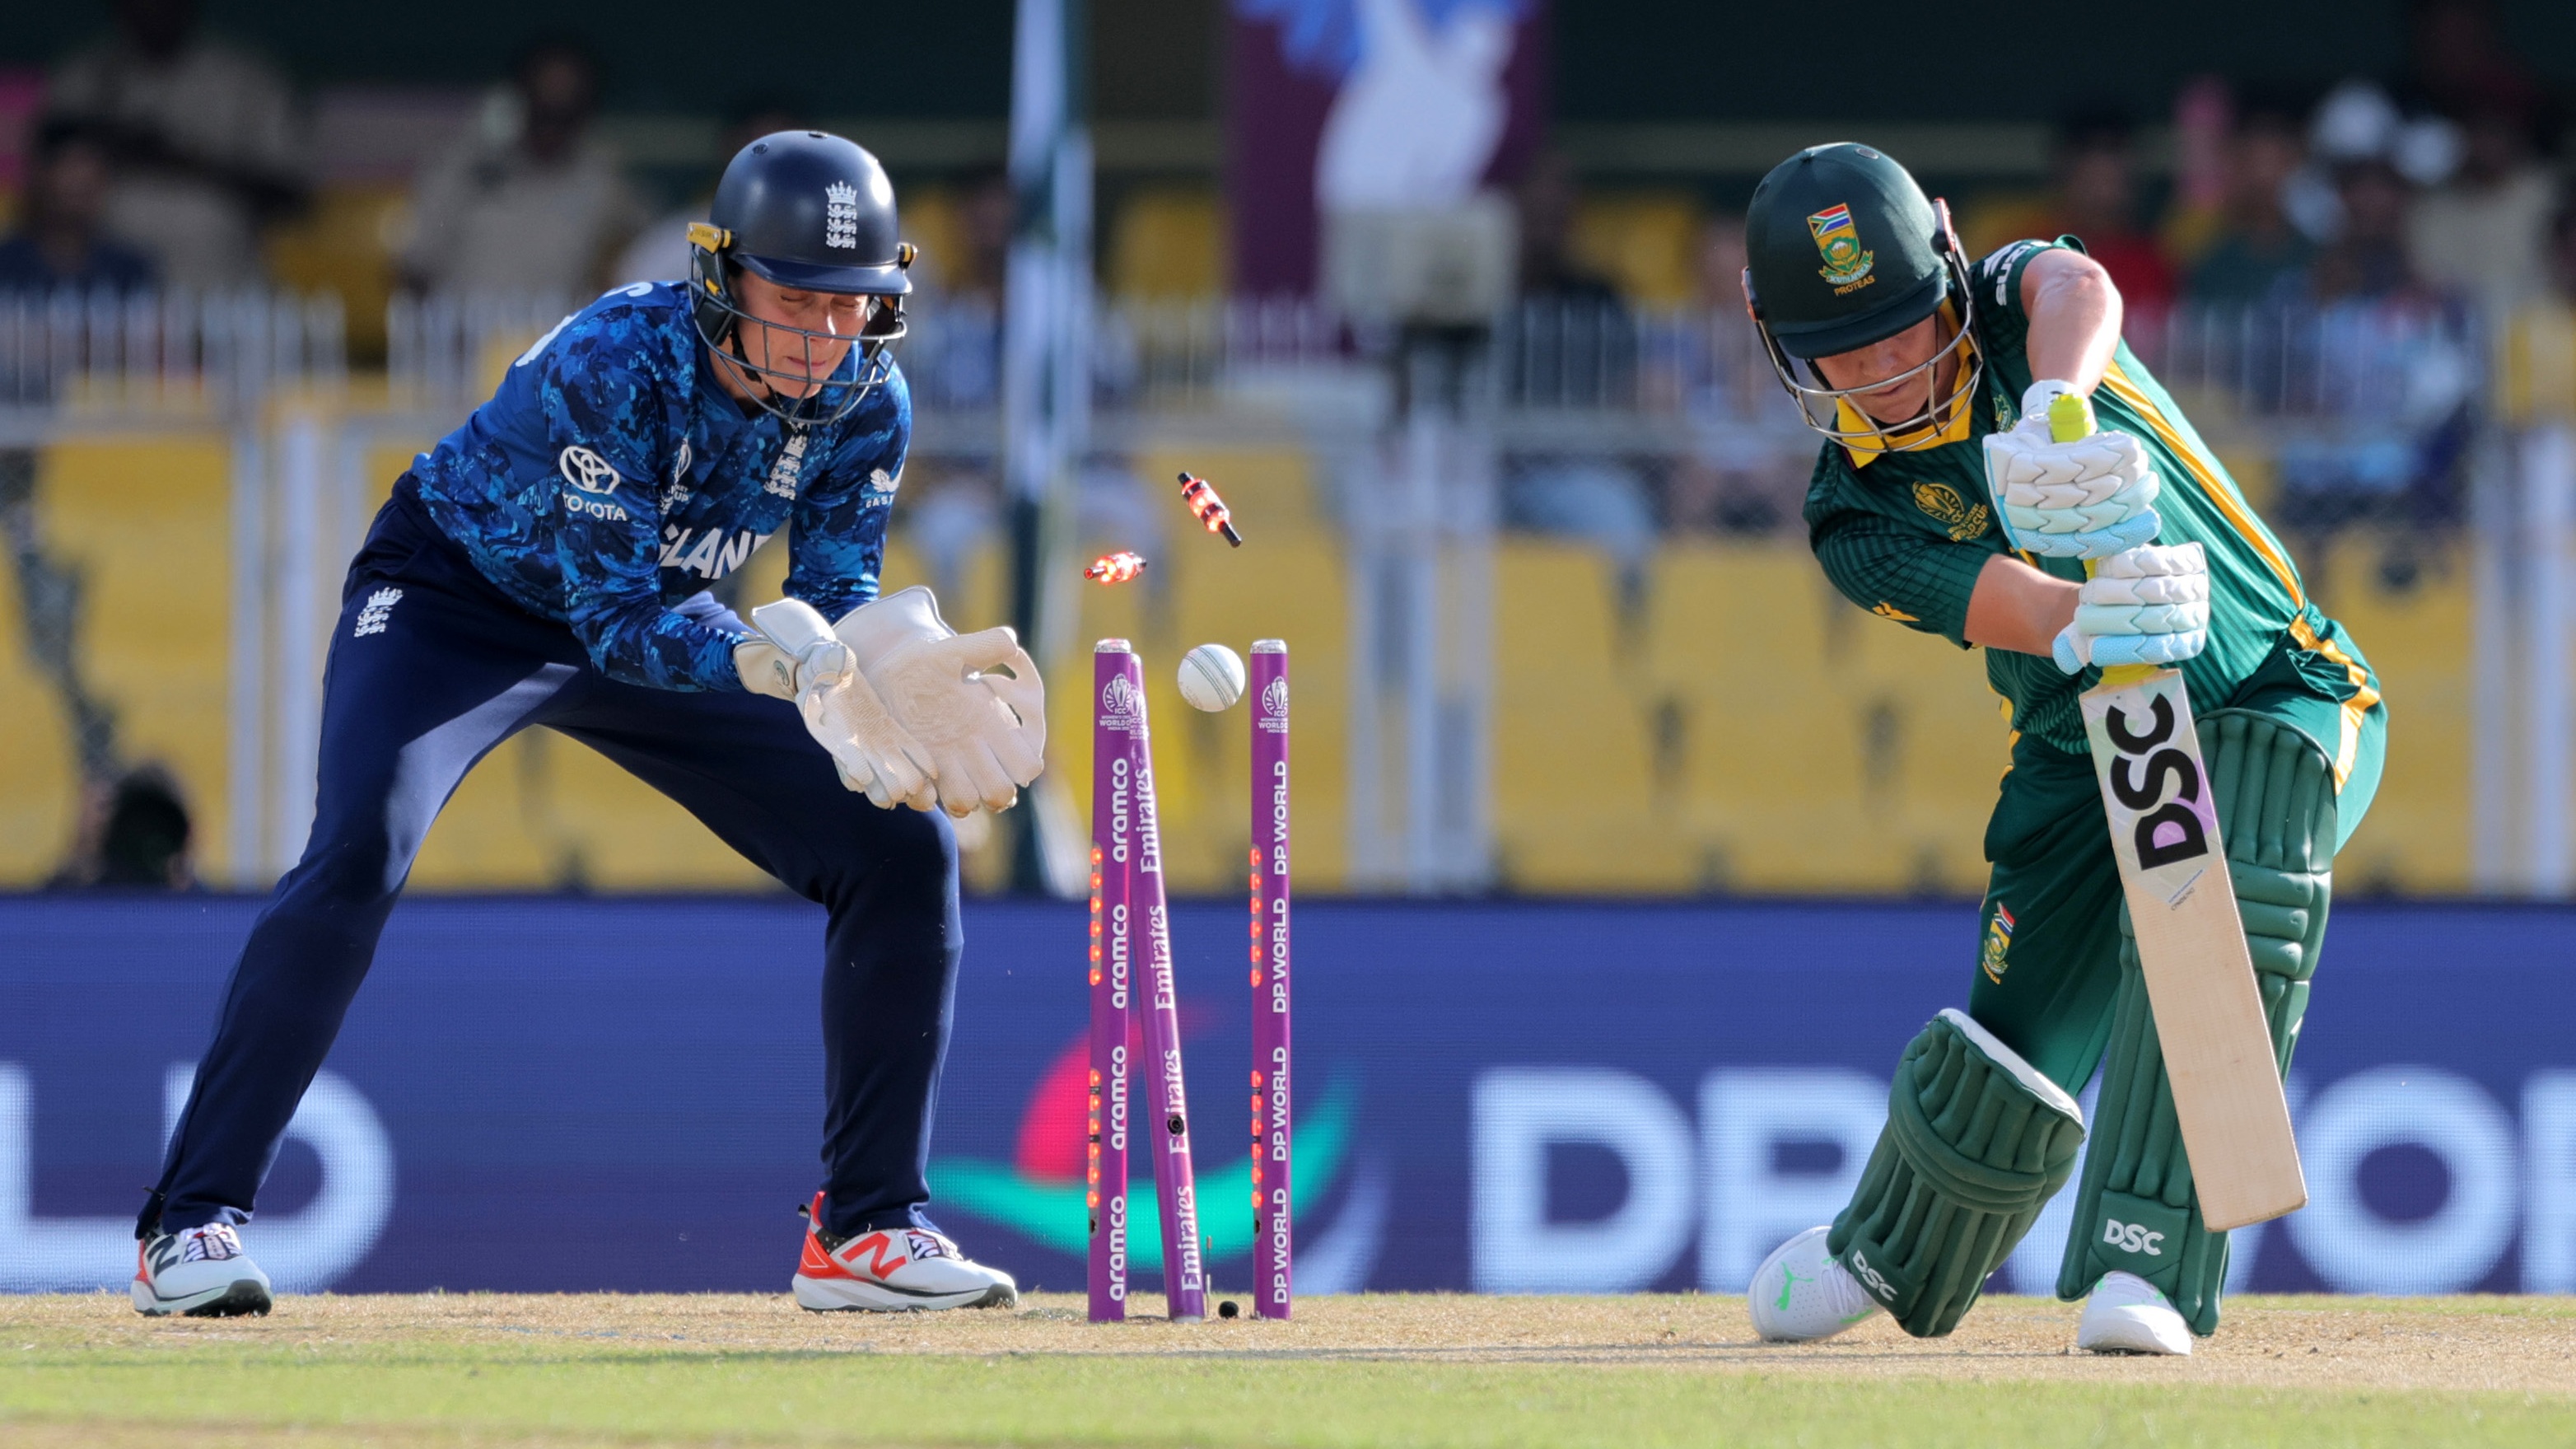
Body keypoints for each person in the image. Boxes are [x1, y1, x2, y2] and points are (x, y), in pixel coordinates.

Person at [128, 132, 1047, 1318]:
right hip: (458, 600)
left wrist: (884, 659)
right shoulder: (621, 357)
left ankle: (867, 1226)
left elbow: (830, 592)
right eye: (795, 298)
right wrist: (778, 663)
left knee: (899, 845)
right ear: (722, 278)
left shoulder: (869, 399)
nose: (824, 337)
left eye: (851, 306)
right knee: (360, 846)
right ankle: (190, 1222)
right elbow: (611, 620)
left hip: (672, 613)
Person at [1734, 144, 2383, 1355]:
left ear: (1945, 270)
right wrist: (2082, 616)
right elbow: (2013, 605)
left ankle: (2149, 1262)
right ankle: (1888, 1245)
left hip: (2278, 686)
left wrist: (2057, 406)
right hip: (2078, 743)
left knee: (2232, 877)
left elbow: (2076, 288)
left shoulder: (2012, 305)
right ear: (1788, 347)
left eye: (1902, 323)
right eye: (1849, 347)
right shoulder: (1852, 515)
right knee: (2014, 1044)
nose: (1886, 367)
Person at [44, 0, 306, 292]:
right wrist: (118, 142)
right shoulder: (84, 76)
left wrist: (182, 160)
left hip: (219, 280)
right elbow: (50, 166)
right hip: (107, 289)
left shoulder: (248, 78)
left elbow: (290, 194)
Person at [401, 36, 649, 297]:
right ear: (521, 99)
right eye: (544, 109)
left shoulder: (605, 180)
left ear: (587, 110)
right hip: (466, 330)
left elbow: (654, 258)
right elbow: (413, 266)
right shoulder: (462, 168)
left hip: (559, 332)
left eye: (565, 111)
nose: (552, 121)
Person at [2182, 90, 2317, 308]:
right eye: (2253, 163)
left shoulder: (2320, 261)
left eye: (2275, 164)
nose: (2263, 179)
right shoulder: (2210, 264)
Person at [0, 118, 159, 293]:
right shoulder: (6, 264)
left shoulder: (130, 270)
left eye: (93, 176)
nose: (80, 183)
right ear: (40, 175)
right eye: (70, 170)